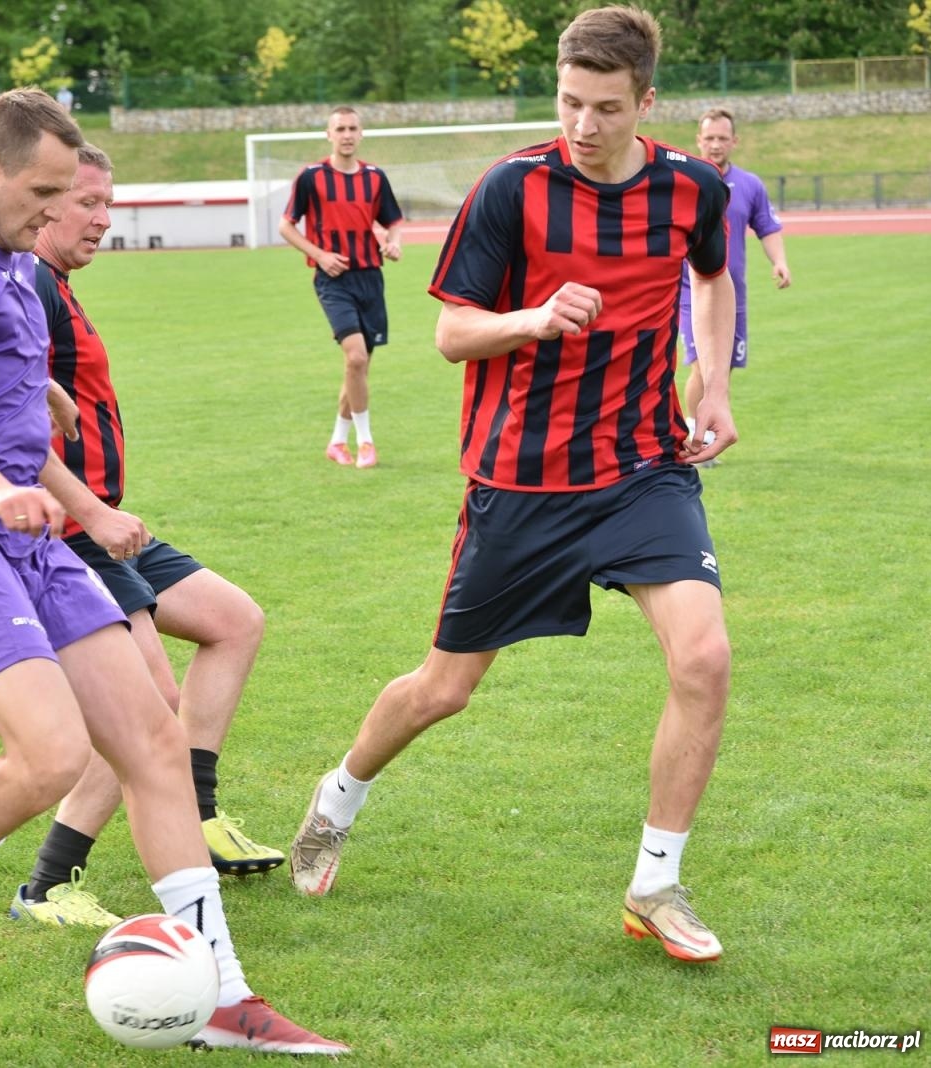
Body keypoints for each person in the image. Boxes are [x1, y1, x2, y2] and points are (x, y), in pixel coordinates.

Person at [0, 88, 345, 1055]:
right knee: (51, 755)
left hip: (27, 538)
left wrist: (82, 503)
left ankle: (220, 997)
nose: (55, 212)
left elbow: (6, 414)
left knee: (153, 742)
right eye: (42, 192)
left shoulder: (8, 265)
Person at [289, 5, 738, 967]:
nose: (582, 125)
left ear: (646, 103)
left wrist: (717, 388)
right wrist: (535, 318)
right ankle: (339, 797)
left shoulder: (693, 190)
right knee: (444, 690)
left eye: (606, 108)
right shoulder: (512, 189)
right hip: (521, 481)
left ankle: (655, 885)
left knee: (703, 659)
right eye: (570, 102)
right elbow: (453, 334)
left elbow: (712, 278)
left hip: (642, 469)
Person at [6, 144, 281, 931]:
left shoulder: (54, 285)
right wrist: (84, 508)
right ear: (46, 202)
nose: (102, 218)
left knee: (234, 621)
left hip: (107, 524)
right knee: (146, 704)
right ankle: (48, 884)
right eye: (87, 203)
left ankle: (195, 812)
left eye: (106, 203)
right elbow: (3, 410)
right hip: (73, 534)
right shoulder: (30, 283)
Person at [278, 106, 404, 469]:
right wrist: (320, 255)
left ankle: (337, 442)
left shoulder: (376, 178)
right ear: (328, 134)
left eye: (353, 128)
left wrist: (393, 243)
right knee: (356, 357)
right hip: (333, 281)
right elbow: (287, 226)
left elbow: (393, 221)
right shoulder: (311, 177)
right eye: (340, 128)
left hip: (370, 278)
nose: (347, 134)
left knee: (358, 369)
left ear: (361, 134)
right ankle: (366, 442)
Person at [678, 106, 791, 468]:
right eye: (709, 138)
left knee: (720, 372)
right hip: (689, 292)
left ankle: (707, 433)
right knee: (700, 366)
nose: (715, 144)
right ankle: (695, 439)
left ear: (734, 141)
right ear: (699, 140)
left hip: (732, 295)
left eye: (722, 138)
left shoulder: (750, 184)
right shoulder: (686, 181)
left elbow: (767, 226)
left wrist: (779, 261)